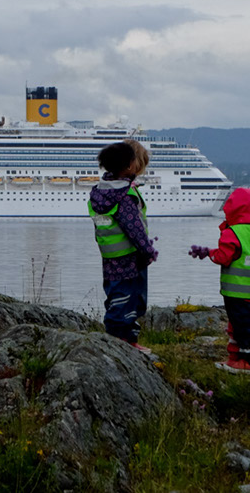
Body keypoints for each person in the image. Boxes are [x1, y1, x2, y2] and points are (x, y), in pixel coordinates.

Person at [189, 187, 250, 374]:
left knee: (241, 326)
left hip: (235, 291)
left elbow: (223, 258)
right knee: (242, 323)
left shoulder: (232, 232)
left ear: (232, 208)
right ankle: (235, 357)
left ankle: (249, 360)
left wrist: (209, 253)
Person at [88, 140, 158, 352]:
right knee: (130, 296)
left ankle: (118, 337)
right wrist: (148, 251)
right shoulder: (124, 195)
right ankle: (125, 341)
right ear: (129, 166)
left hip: (110, 255)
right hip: (129, 255)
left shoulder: (99, 192)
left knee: (115, 294)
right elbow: (134, 227)